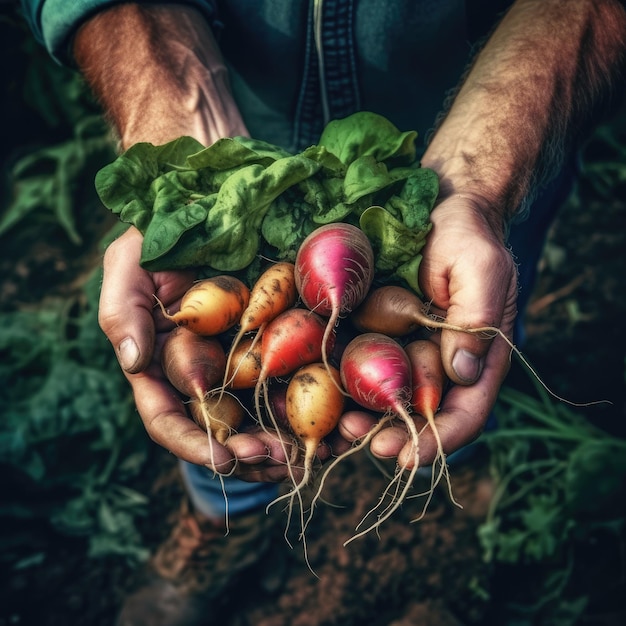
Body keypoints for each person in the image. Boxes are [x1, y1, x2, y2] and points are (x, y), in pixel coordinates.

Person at [21, 0, 626, 624]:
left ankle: (458, 482)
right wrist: (178, 129)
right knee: (213, 415)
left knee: (465, 317)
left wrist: (476, 188)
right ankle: (220, 514)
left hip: (487, 108)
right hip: (239, 93)